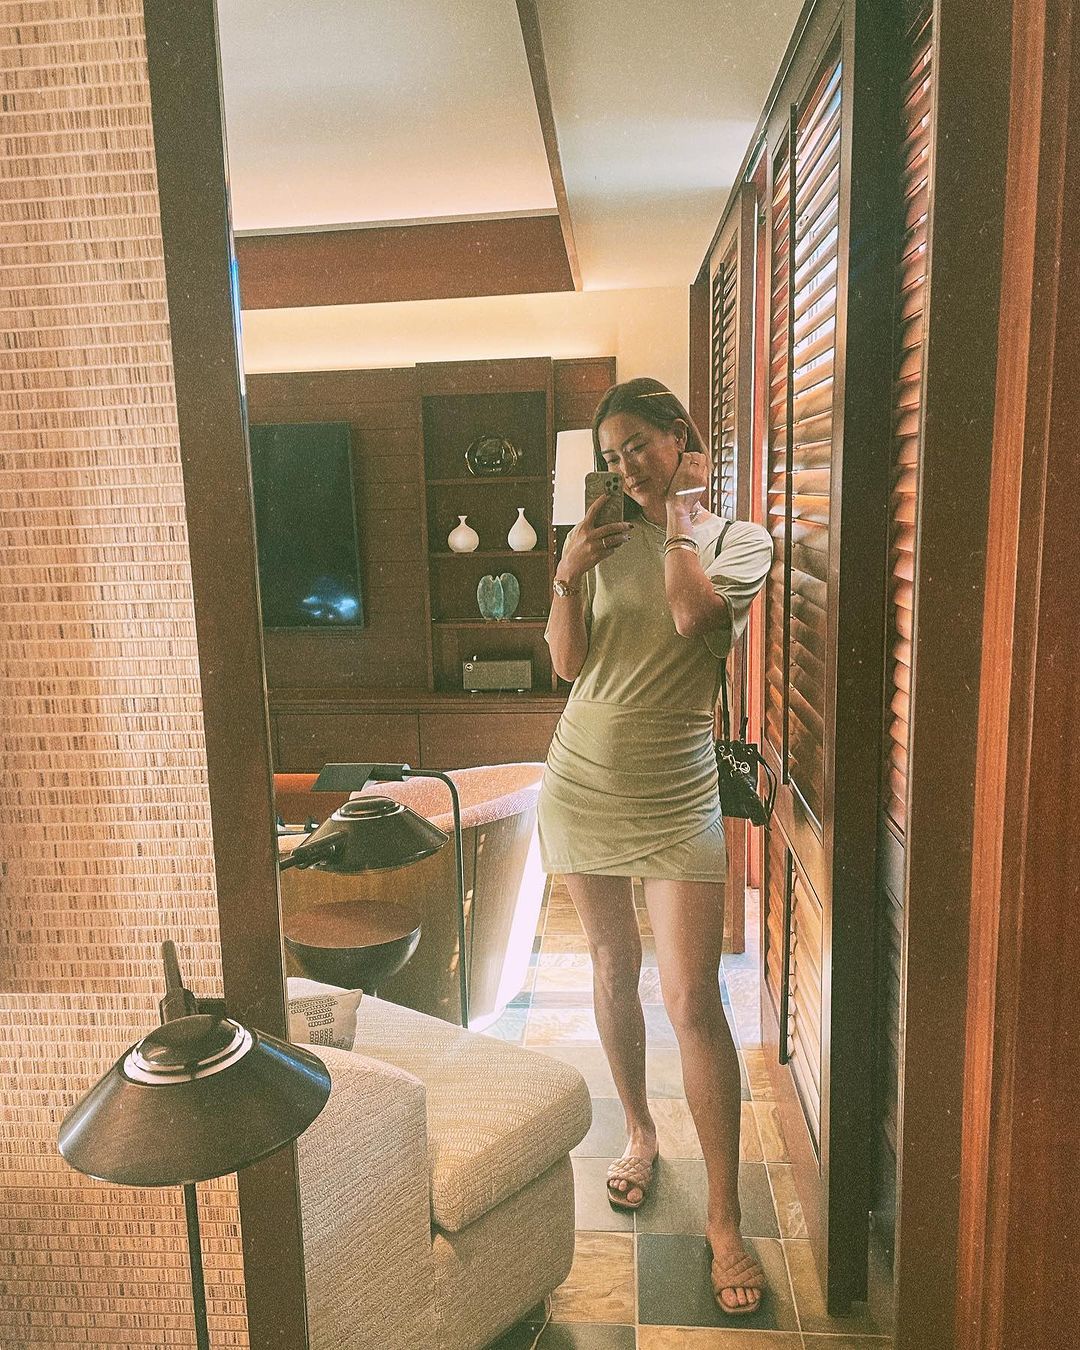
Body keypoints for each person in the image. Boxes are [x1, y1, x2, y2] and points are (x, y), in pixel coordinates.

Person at [537, 377, 772, 1317]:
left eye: (638, 444)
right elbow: (567, 664)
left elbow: (692, 620)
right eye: (612, 454)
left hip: (678, 793)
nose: (625, 465)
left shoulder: (739, 541)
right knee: (609, 965)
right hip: (582, 779)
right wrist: (567, 571)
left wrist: (677, 524)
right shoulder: (598, 541)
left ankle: (725, 1217)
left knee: (691, 1001)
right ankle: (638, 1131)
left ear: (681, 438)